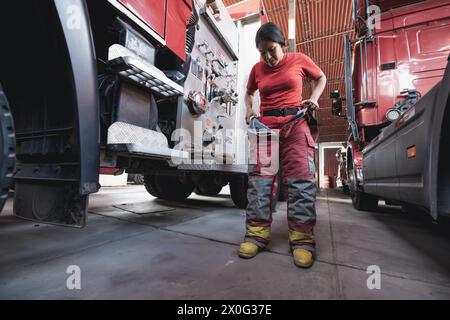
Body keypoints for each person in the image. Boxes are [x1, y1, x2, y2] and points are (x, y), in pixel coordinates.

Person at [239, 22, 327, 268]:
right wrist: (249, 110)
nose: (267, 57)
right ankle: (256, 235)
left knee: (300, 180)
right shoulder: (257, 69)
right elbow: (248, 93)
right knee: (260, 181)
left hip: (296, 124)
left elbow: (321, 77)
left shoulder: (298, 59)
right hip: (265, 128)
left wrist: (314, 99)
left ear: (283, 45)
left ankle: (302, 240)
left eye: (272, 50)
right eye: (262, 52)